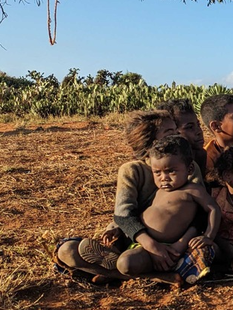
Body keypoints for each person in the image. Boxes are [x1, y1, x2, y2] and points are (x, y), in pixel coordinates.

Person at [53, 109, 206, 282]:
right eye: (170, 132)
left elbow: (201, 212)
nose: (178, 134)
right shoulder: (132, 170)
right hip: (133, 237)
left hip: (169, 245)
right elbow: (123, 214)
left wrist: (173, 244)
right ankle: (151, 277)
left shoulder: (187, 167)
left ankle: (113, 273)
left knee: (127, 262)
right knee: (67, 250)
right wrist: (149, 244)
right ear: (152, 142)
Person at [115, 135, 220, 284]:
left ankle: (115, 272)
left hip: (172, 249)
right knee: (125, 262)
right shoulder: (158, 191)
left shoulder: (194, 191)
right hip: (145, 244)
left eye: (171, 171)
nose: (163, 178)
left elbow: (213, 209)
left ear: (190, 169)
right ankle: (160, 277)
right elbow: (126, 214)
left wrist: (209, 236)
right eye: (157, 172)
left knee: (125, 264)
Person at [157, 98, 207, 175]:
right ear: (172, 131)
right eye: (190, 127)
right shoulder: (160, 163)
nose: (199, 132)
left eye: (198, 125)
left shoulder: (201, 155)